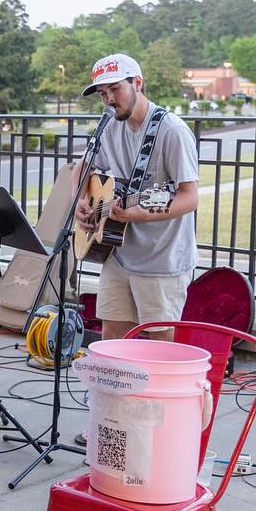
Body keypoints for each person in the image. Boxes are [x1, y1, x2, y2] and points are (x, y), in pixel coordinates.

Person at [75, 53, 201, 347]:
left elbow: (189, 198)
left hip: (162, 258)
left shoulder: (172, 132)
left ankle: (155, 396)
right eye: (103, 93)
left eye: (115, 89)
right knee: (112, 340)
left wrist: (141, 215)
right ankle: (115, 395)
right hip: (117, 253)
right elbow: (82, 169)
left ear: (137, 83)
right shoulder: (109, 126)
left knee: (159, 344)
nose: (108, 99)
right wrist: (82, 201)